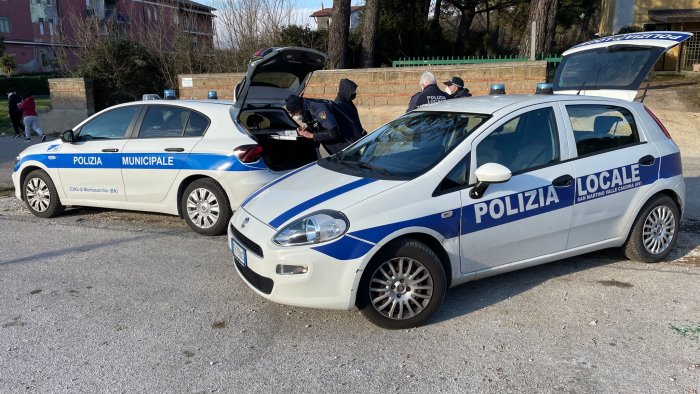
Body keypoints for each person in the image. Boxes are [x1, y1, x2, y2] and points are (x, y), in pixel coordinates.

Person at [285, 95, 352, 158]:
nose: (293, 116)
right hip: (334, 145)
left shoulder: (318, 109)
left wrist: (312, 135)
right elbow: (318, 124)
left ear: (298, 109)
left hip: (346, 144)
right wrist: (307, 130)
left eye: (294, 113)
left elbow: (333, 133)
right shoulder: (305, 107)